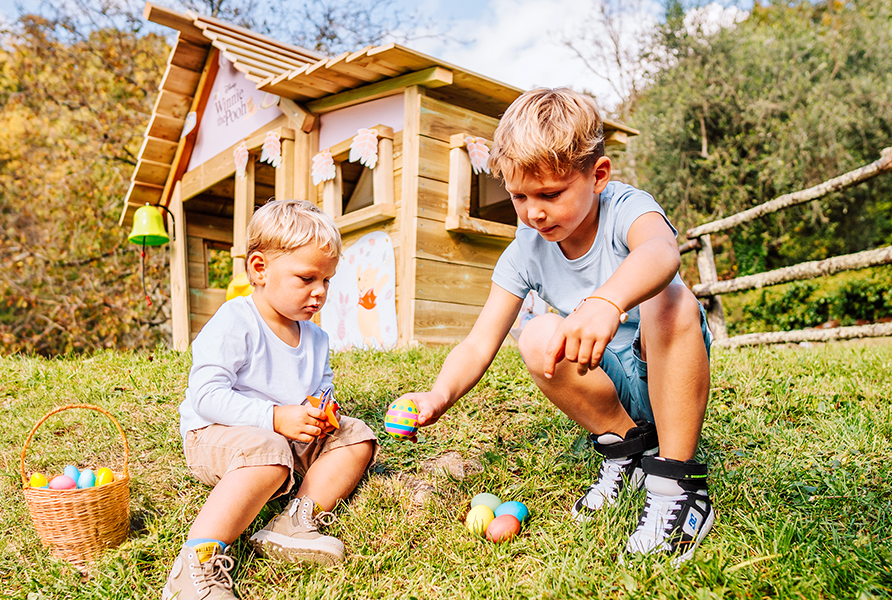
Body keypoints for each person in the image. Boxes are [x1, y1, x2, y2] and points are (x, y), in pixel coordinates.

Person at [396, 87, 717, 564]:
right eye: (519, 196)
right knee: (537, 335)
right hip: (605, 379)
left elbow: (661, 252)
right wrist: (438, 395)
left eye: (550, 194)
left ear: (598, 176)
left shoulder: (626, 208)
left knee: (669, 297)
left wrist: (606, 301)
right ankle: (627, 450)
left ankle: (677, 484)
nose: (534, 212)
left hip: (666, 370)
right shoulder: (525, 250)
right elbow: (480, 342)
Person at [163, 199, 377, 599]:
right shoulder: (236, 321)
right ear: (260, 269)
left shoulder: (316, 338)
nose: (320, 292)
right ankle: (194, 566)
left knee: (356, 435)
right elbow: (206, 395)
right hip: (218, 436)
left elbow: (321, 389)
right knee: (269, 448)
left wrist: (319, 411)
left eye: (327, 280)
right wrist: (275, 417)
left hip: (284, 438)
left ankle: (295, 521)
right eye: (307, 278)